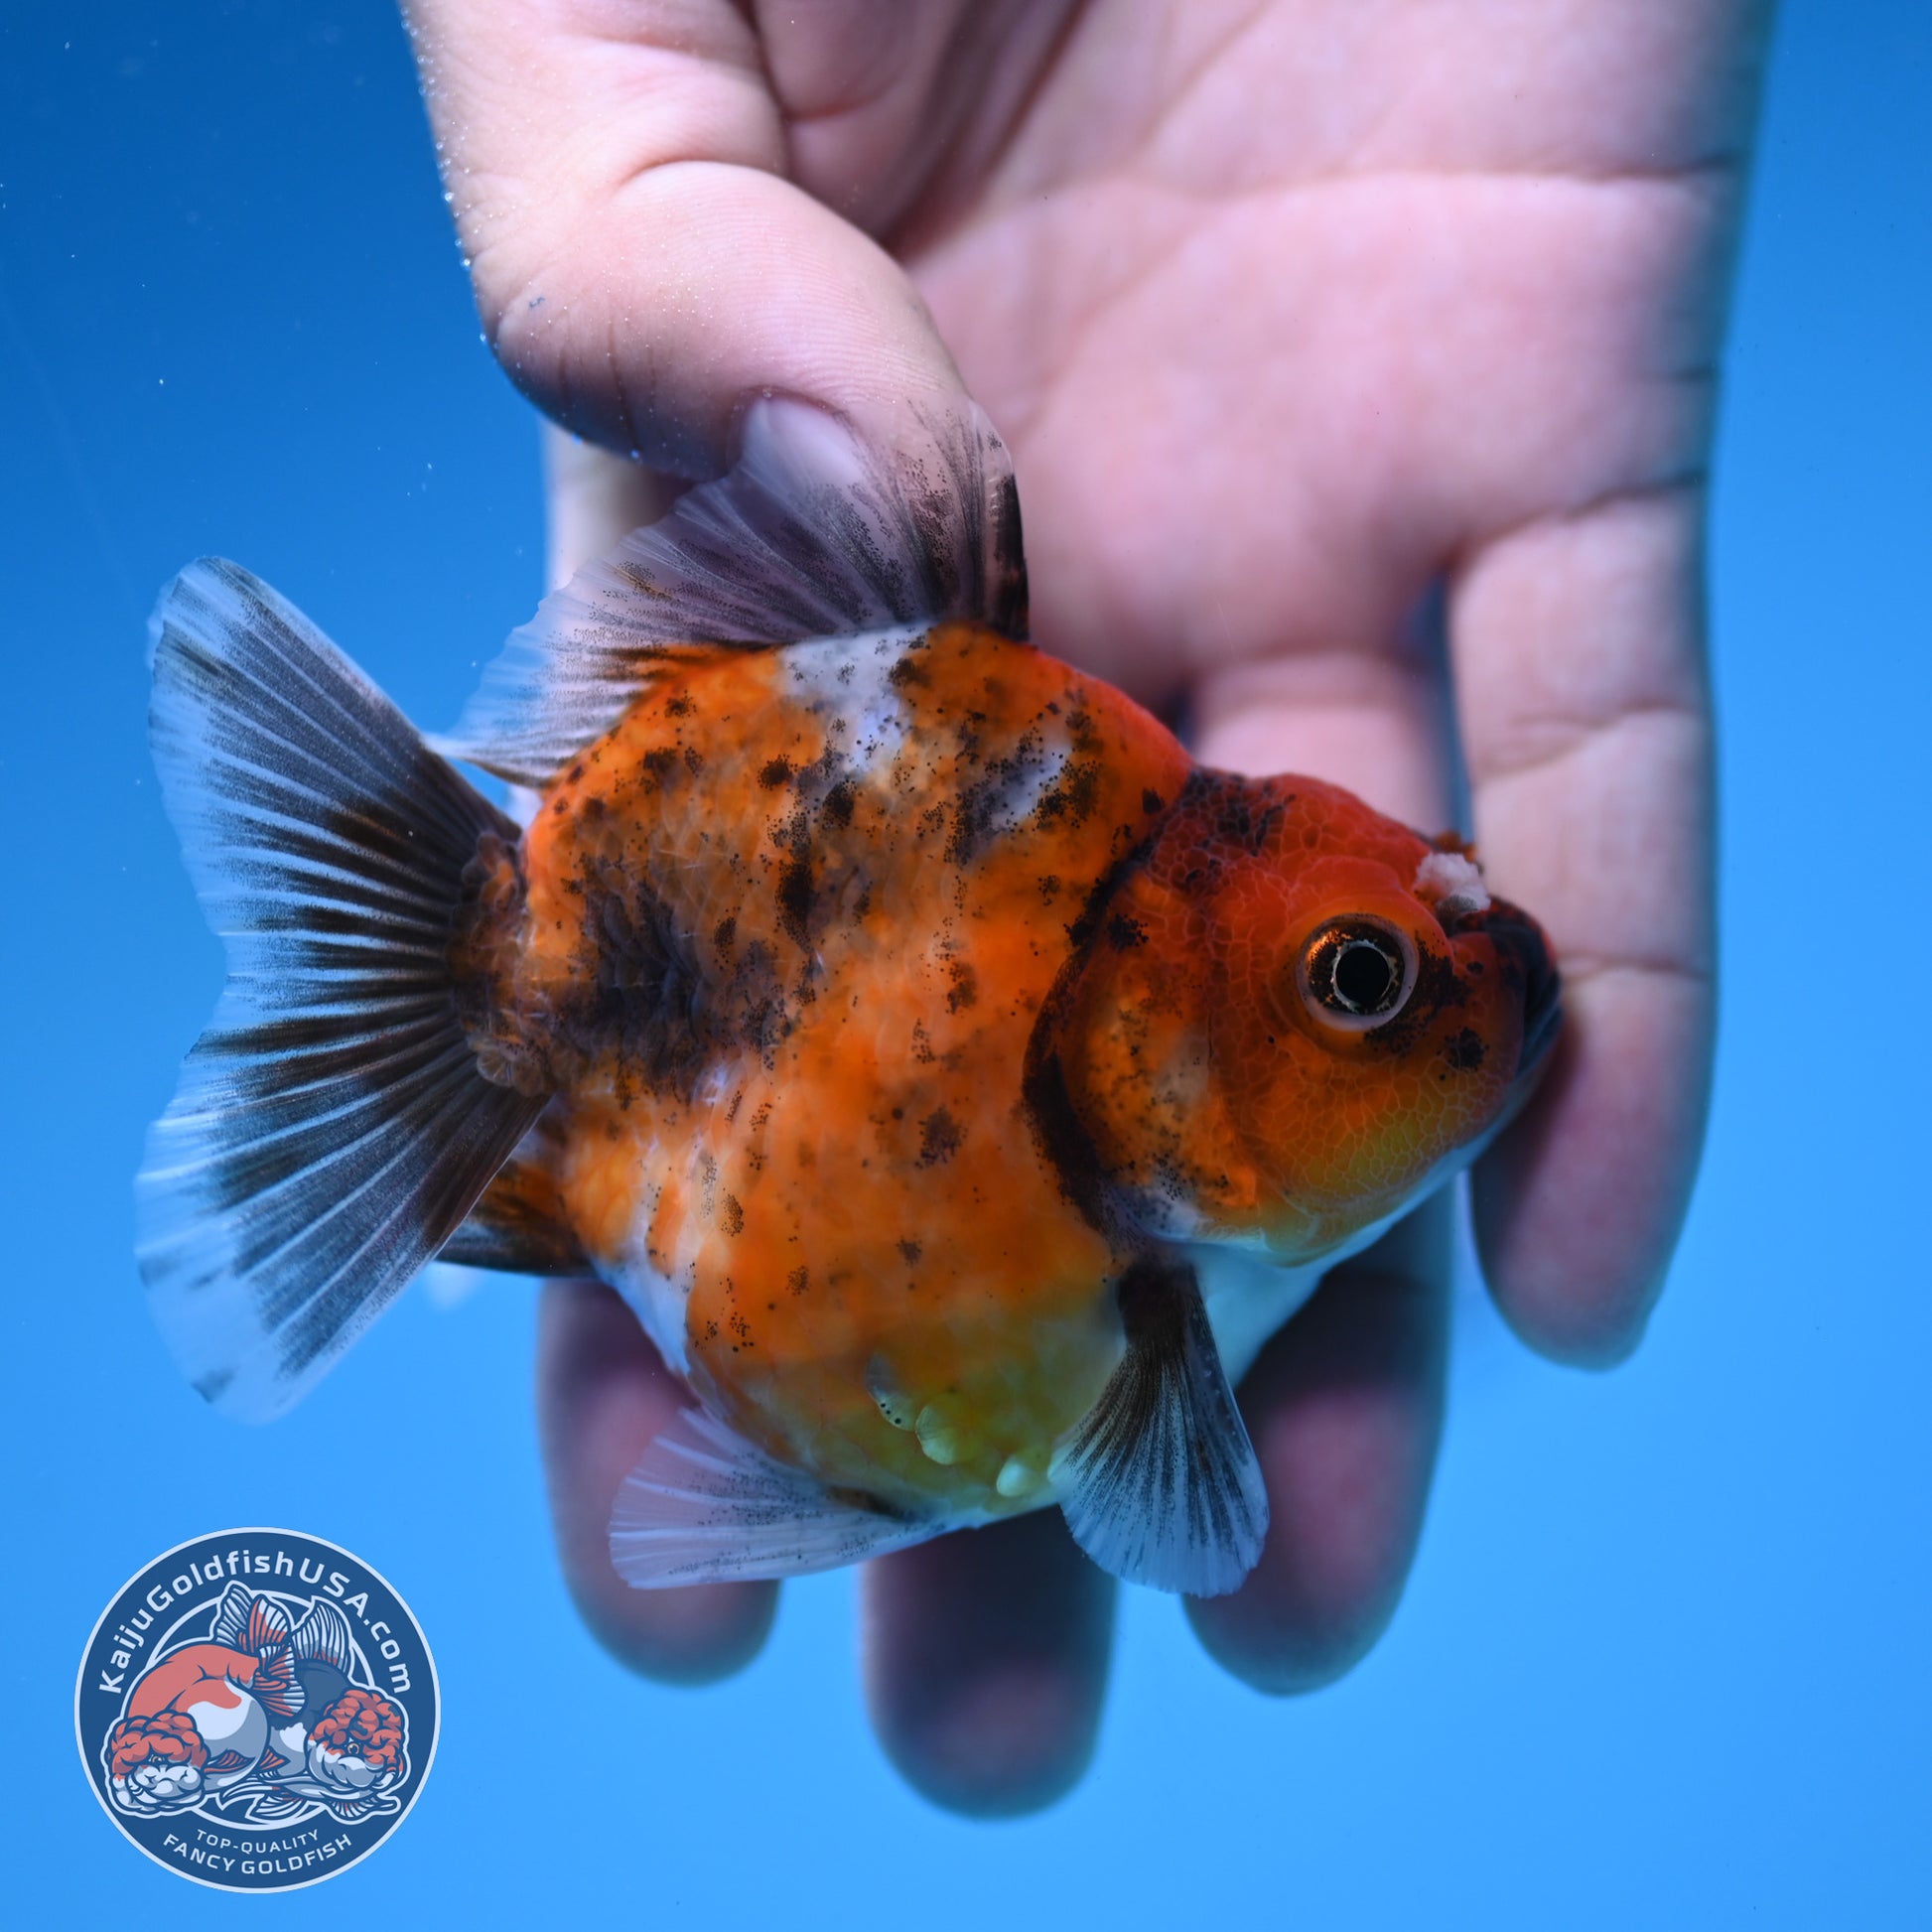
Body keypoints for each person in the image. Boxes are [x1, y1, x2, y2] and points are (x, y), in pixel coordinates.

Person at [402, 0, 1769, 1816]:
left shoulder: (1151, 1130)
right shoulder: (1132, 1208)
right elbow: (1148, 1498)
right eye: (1351, 981)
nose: (1458, 990)